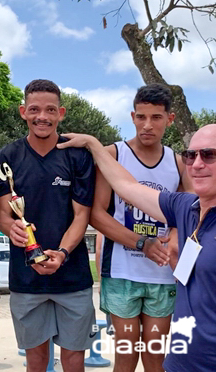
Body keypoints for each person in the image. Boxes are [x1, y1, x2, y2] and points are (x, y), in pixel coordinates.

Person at [59, 124, 216, 372]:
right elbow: (128, 188)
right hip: (183, 363)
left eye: (209, 155)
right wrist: (94, 144)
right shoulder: (185, 206)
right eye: (191, 155)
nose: (196, 164)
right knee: (127, 354)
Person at [0, 79, 95, 372]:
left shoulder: (77, 156)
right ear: (23, 111)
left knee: (74, 360)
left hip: (72, 278)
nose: (43, 116)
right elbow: (4, 214)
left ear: (61, 113)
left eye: (50, 110)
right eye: (35, 109)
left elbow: (81, 216)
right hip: (27, 280)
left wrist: (62, 253)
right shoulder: (5, 158)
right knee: (35, 360)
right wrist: (10, 228)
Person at [91, 84, 191, 372]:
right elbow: (97, 215)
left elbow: (185, 216)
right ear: (133, 116)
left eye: (156, 118)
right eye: (141, 117)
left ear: (169, 119)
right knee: (126, 356)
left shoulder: (179, 162)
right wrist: (141, 243)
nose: (148, 125)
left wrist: (172, 236)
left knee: (155, 358)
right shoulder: (113, 154)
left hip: (163, 276)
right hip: (122, 272)